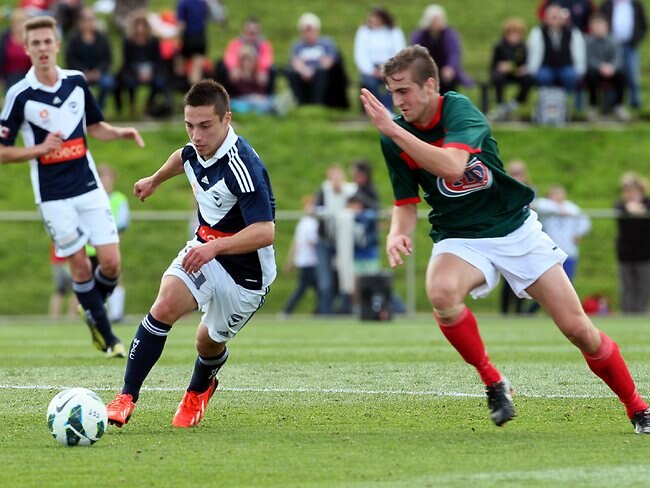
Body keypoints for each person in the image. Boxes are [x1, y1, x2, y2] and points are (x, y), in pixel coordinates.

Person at [360, 45, 650, 433]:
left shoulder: (459, 109)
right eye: (391, 93)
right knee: (442, 294)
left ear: (430, 86)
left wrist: (392, 129)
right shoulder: (392, 135)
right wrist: (398, 232)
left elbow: (452, 166)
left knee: (578, 329)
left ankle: (637, 408)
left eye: (403, 91)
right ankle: (494, 381)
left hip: (514, 229)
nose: (396, 101)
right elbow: (406, 202)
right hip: (460, 236)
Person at [105, 79, 276, 429]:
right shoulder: (196, 148)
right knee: (164, 304)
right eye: (190, 125)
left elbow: (265, 231)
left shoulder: (243, 165)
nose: (196, 135)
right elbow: (182, 156)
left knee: (207, 343)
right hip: (204, 250)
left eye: (205, 126)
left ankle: (200, 388)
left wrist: (215, 246)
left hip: (246, 277)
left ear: (227, 120)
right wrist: (154, 179)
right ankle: (126, 396)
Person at [0, 16, 145, 358]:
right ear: (26, 48)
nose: (42, 48)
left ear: (57, 44)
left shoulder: (77, 82)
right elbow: (3, 151)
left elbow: (94, 127)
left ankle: (90, 307)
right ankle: (108, 338)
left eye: (47, 41)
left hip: (88, 186)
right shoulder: (19, 94)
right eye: (35, 43)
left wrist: (120, 132)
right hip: (53, 195)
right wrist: (39, 149)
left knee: (111, 263)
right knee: (79, 265)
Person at [527, 184, 591, 314]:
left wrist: (578, 233)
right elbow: (537, 205)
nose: (557, 197)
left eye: (559, 194)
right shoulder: (546, 208)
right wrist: (557, 209)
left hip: (569, 251)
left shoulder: (571, 207)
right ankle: (535, 310)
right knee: (549, 284)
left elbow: (585, 221)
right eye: (554, 194)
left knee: (567, 282)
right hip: (551, 252)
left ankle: (563, 311)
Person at [86, 164, 130, 323]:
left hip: (109, 244)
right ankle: (95, 314)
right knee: (90, 281)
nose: (105, 182)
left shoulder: (119, 199)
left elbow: (122, 223)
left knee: (115, 278)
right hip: (89, 248)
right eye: (102, 177)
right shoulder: (90, 199)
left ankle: (116, 315)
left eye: (108, 178)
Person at [314, 164, 357, 315]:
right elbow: (317, 209)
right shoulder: (324, 190)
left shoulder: (350, 191)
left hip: (345, 240)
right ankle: (326, 312)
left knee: (346, 275)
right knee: (325, 280)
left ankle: (346, 309)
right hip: (325, 240)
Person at [117, 9, 172, 119]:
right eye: (138, 25)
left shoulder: (154, 41)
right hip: (134, 71)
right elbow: (127, 62)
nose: (140, 28)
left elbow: (157, 60)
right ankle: (132, 107)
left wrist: (151, 73)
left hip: (151, 71)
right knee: (130, 82)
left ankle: (148, 105)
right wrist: (137, 73)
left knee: (159, 82)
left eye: (143, 25)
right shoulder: (128, 42)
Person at [410, 4, 472, 94]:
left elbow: (454, 53)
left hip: (445, 71)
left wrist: (450, 67)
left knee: (448, 82)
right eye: (435, 20)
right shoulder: (420, 36)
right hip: (428, 70)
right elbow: (416, 54)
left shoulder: (449, 35)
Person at [354, 6, 405, 112]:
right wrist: (371, 70)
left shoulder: (393, 31)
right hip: (371, 69)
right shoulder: (364, 31)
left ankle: (388, 111)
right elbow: (360, 53)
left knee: (390, 84)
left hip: (389, 67)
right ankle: (374, 110)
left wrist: (387, 69)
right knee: (371, 84)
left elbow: (399, 51)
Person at [527, 3, 586, 95]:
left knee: (570, 76)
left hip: (565, 66)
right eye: (551, 15)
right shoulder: (538, 32)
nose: (554, 18)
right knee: (543, 76)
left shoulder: (573, 31)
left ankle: (566, 99)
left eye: (557, 15)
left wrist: (580, 71)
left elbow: (578, 53)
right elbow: (534, 53)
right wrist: (532, 70)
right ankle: (546, 99)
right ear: (546, 17)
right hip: (546, 66)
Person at [64, 7, 116, 109]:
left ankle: (99, 108)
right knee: (76, 84)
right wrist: (83, 72)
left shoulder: (102, 37)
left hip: (99, 73)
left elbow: (107, 58)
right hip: (79, 73)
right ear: (80, 22)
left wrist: (99, 71)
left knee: (108, 82)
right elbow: (70, 59)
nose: (88, 23)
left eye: (91, 19)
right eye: (85, 19)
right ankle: (81, 109)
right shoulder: (73, 38)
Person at [600, 0, 648, 110]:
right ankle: (613, 102)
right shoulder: (607, 4)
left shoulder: (636, 4)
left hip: (630, 45)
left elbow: (643, 24)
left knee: (632, 74)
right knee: (612, 73)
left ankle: (634, 101)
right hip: (611, 46)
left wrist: (636, 40)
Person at [614, 172, 650, 314]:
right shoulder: (621, 205)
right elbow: (618, 209)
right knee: (627, 287)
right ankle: (627, 313)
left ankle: (641, 313)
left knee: (643, 286)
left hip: (645, 252)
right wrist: (630, 209)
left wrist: (641, 211)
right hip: (625, 252)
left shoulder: (647, 203)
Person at [499, 160, 532, 315]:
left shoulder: (530, 192)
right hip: (507, 240)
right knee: (507, 280)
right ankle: (505, 312)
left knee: (524, 277)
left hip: (525, 240)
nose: (516, 177)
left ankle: (520, 311)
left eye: (519, 173)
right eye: (513, 173)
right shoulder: (503, 190)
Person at [287, 12, 339, 106]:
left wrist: (313, 71)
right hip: (303, 74)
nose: (309, 33)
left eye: (311, 30)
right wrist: (304, 71)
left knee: (321, 72)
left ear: (317, 30)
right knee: (291, 72)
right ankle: (300, 104)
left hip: (321, 73)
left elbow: (329, 61)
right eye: (306, 30)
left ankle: (317, 104)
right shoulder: (298, 45)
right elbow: (295, 61)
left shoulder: (326, 43)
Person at [488, 17, 535, 122]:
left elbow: (525, 63)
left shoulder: (523, 46)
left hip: (517, 74)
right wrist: (501, 66)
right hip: (503, 74)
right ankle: (501, 104)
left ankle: (515, 103)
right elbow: (493, 64)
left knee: (529, 79)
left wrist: (521, 69)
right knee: (497, 77)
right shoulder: (499, 45)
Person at [585, 13, 629, 121]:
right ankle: (593, 107)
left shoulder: (614, 41)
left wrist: (612, 67)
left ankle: (619, 106)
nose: (599, 29)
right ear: (592, 28)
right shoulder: (588, 42)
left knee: (622, 74)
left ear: (606, 26)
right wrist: (600, 67)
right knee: (591, 76)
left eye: (601, 26)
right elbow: (588, 59)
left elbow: (618, 58)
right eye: (596, 27)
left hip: (611, 71)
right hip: (596, 71)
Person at [281, 195, 319, 316]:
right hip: (308, 261)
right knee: (304, 288)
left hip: (307, 260)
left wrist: (291, 260)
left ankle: (319, 310)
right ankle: (287, 310)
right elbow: (308, 242)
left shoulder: (304, 222)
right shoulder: (310, 223)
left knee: (317, 288)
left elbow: (296, 243)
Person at [221, 16, 274, 97]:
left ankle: (267, 95)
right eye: (249, 29)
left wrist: (261, 70)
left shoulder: (264, 45)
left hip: (255, 71)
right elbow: (229, 58)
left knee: (272, 70)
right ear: (244, 30)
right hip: (239, 70)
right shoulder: (235, 43)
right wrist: (234, 68)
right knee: (222, 67)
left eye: (254, 29)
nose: (251, 31)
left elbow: (267, 60)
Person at [176, 0, 209, 86]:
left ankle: (180, 88)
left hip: (188, 38)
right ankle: (194, 94)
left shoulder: (183, 3)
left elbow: (181, 25)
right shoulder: (202, 2)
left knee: (179, 65)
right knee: (196, 71)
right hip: (201, 38)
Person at [0, 9, 32, 94]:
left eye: (22, 22)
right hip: (10, 77)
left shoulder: (31, 38)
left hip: (28, 77)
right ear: (12, 24)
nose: (19, 26)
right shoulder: (5, 38)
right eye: (17, 23)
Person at [48, 243, 79, 319]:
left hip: (57, 263)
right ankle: (71, 314)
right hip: (66, 263)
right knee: (77, 289)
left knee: (60, 291)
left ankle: (54, 316)